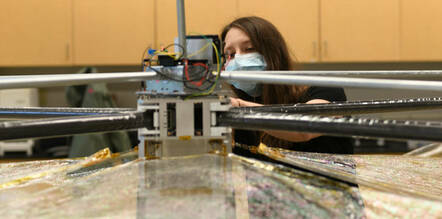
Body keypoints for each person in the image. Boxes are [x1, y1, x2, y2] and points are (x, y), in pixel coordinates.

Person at [221, 16, 353, 154]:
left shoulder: (326, 89)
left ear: (273, 53)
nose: (239, 59)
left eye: (249, 48)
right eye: (230, 54)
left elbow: (304, 129)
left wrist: (241, 107)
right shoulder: (246, 104)